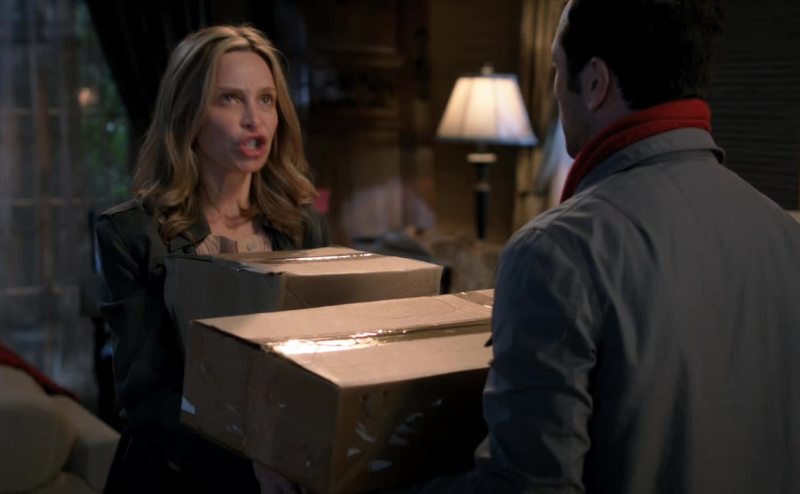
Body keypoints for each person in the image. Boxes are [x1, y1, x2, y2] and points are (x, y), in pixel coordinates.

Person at [412, 0, 800, 492]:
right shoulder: (786, 237)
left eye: (556, 68)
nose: (555, 88)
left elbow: (529, 487)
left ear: (595, 83)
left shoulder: (556, 251)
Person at [95, 25, 329, 492]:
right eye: (229, 99)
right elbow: (147, 396)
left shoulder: (302, 227)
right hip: (177, 471)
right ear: (188, 113)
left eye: (266, 100)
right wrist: (250, 464)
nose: (254, 119)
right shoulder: (132, 233)